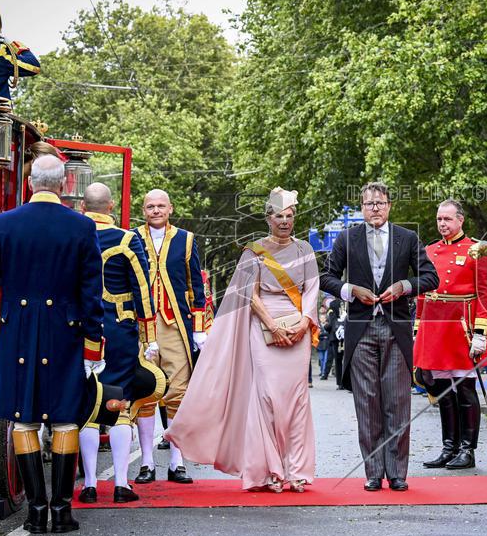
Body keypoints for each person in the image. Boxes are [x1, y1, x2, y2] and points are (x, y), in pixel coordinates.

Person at [0, 155, 107, 534]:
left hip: (17, 331)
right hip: (65, 331)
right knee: (65, 419)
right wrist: (93, 342)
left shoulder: (4, 223)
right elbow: (91, 291)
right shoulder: (82, 226)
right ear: (64, 185)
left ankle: (35, 512)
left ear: (30, 183)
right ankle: (61, 511)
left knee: (23, 418)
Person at [165, 188, 318, 492]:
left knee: (297, 400)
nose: (284, 221)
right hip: (263, 327)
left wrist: (304, 322)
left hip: (298, 329)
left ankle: (296, 471)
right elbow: (250, 295)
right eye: (279, 216)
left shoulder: (305, 250)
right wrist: (272, 325)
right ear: (268, 219)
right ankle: (270, 471)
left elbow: (312, 289)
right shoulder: (254, 252)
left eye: (289, 216)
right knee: (267, 399)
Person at [320, 182, 438, 491]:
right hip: (360, 329)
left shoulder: (407, 238)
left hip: (396, 328)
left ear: (389, 206)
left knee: (397, 402)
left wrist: (404, 286)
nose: (375, 208)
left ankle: (397, 472)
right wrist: (350, 290)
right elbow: (326, 277)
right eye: (369, 203)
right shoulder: (347, 238)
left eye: (380, 203)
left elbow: (431, 277)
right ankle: (373, 471)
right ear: (362, 208)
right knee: (367, 402)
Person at [78, 183, 166, 504]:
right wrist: (149, 336)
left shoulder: (74, 237)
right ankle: (119, 483)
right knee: (119, 406)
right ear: (111, 206)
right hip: (118, 332)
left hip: (81, 332)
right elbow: (143, 290)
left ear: (83, 206)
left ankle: (89, 485)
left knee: (87, 405)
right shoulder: (127, 239)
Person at [413, 200, 487, 470]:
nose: (442, 224)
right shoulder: (429, 251)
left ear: (460, 220)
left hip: (461, 327)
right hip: (434, 327)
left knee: (465, 388)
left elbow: (485, 295)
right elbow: (422, 292)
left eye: (447, 219)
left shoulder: (478, 250)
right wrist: (418, 327)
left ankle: (467, 450)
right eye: (439, 219)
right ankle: (449, 447)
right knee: (442, 390)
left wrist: (481, 331)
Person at [134, 189, 206, 484]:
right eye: (150, 206)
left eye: (161, 206)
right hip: (141, 327)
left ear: (170, 209)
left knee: (178, 392)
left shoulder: (186, 239)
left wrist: (199, 328)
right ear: (143, 210)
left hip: (175, 324)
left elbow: (196, 285)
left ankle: (177, 462)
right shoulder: (132, 238)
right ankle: (147, 462)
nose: (156, 210)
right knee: (144, 390)